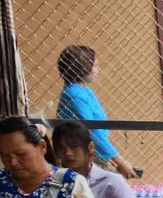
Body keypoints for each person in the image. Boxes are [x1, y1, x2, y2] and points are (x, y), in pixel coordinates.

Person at [55, 45, 136, 179]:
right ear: (83, 68)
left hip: (94, 149)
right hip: (85, 151)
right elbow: (92, 132)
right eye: (94, 65)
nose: (97, 69)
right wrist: (118, 160)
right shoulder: (76, 95)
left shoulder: (82, 90)